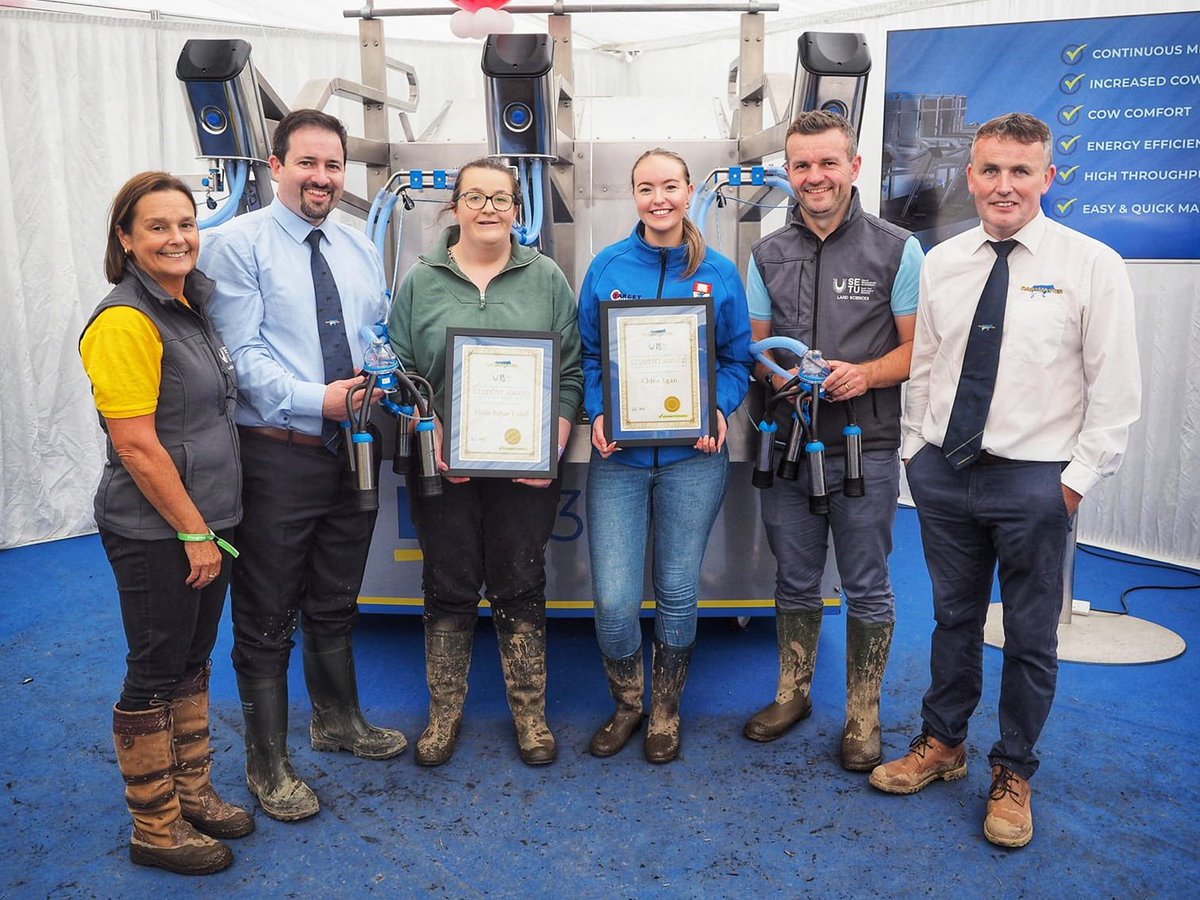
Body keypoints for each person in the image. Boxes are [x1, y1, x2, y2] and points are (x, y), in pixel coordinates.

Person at [869, 113, 1140, 849]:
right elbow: (927, 367)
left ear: (1049, 178)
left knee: (1028, 639)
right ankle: (943, 742)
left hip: (1037, 484)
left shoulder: (1092, 265)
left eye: (1021, 171)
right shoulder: (946, 261)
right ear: (971, 176)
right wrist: (918, 453)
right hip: (947, 475)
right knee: (952, 620)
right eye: (990, 170)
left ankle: (1014, 770)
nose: (1004, 185)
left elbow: (1113, 390)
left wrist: (1074, 482)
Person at [200, 109, 406, 822]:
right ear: (276, 166)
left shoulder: (356, 247)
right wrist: (314, 399)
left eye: (333, 166)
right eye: (308, 163)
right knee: (266, 610)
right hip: (277, 452)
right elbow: (240, 357)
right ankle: (267, 763)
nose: (322, 177)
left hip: (353, 448)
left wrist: (386, 377)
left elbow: (376, 336)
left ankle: (338, 721)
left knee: (335, 593)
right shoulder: (235, 245)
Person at [81, 172, 254, 875]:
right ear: (125, 239)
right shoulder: (126, 319)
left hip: (207, 519)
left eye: (186, 222)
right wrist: (191, 530)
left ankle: (192, 792)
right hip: (159, 531)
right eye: (158, 226)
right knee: (154, 670)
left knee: (189, 661)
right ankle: (155, 826)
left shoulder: (189, 304)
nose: (178, 236)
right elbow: (135, 444)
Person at [742, 111, 923, 771]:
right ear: (788, 172)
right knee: (794, 578)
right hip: (787, 443)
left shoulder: (897, 249)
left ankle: (863, 715)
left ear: (853, 167)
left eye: (826, 163)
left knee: (867, 584)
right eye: (801, 165)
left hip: (863, 447)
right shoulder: (768, 252)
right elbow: (755, 345)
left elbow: (917, 352)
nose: (814, 177)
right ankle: (793, 695)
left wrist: (862, 375)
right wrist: (778, 373)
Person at [387, 157, 583, 767]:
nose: (489, 208)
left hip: (526, 466)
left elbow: (572, 372)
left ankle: (530, 716)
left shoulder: (547, 278)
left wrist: (555, 433)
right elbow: (397, 372)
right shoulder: (420, 281)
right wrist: (430, 426)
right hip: (444, 462)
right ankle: (443, 717)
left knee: (520, 580)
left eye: (501, 197)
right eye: (475, 196)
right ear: (455, 207)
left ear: (518, 208)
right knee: (447, 584)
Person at [578, 148, 752, 764]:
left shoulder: (721, 273)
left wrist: (718, 408)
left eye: (670, 186)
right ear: (633, 195)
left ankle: (667, 710)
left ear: (687, 192)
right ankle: (628, 704)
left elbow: (737, 361)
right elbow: (590, 356)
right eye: (646, 186)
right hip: (620, 457)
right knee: (615, 598)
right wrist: (598, 411)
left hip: (692, 458)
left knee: (678, 587)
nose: (659, 198)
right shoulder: (606, 268)